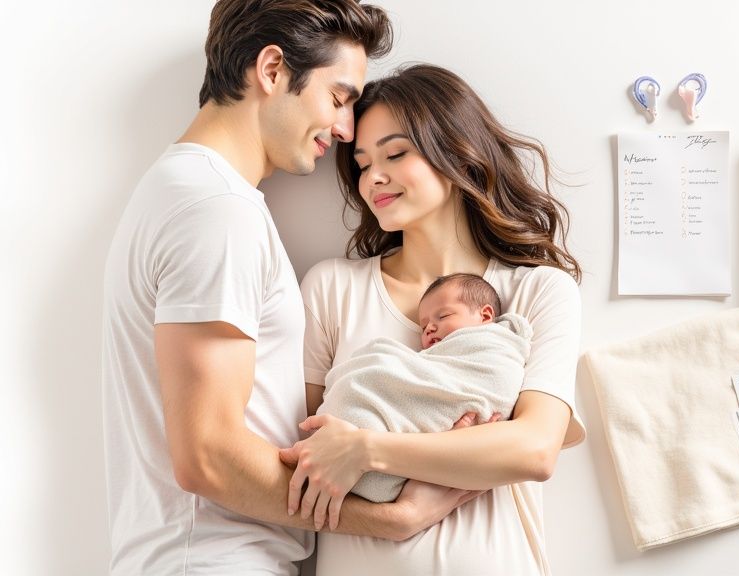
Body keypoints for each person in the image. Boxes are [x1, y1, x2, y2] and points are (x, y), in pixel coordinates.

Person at [101, 3, 476, 575]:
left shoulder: (191, 193)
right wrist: (393, 518)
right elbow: (209, 457)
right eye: (339, 98)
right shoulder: (216, 211)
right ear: (272, 70)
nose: (347, 129)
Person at [283, 63, 587, 575]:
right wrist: (411, 505)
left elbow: (534, 450)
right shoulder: (332, 289)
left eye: (395, 154)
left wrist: (366, 449)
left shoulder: (536, 290)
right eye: (360, 163)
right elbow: (304, 465)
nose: (372, 177)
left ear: (457, 155)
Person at [321, 273, 531, 503]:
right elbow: (417, 378)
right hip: (353, 450)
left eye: (443, 316)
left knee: (378, 365)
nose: (430, 327)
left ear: (486, 315)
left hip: (377, 457)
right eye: (423, 326)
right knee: (375, 366)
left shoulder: (497, 350)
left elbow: (496, 386)